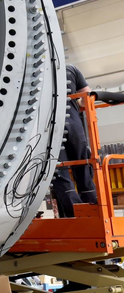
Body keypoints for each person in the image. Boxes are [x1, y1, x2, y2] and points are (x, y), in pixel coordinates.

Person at [52, 64, 98, 217]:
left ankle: (75, 216)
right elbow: (87, 99)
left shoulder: (34, 72)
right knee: (84, 168)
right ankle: (93, 211)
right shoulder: (71, 69)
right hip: (75, 127)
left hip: (52, 128)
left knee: (60, 173)